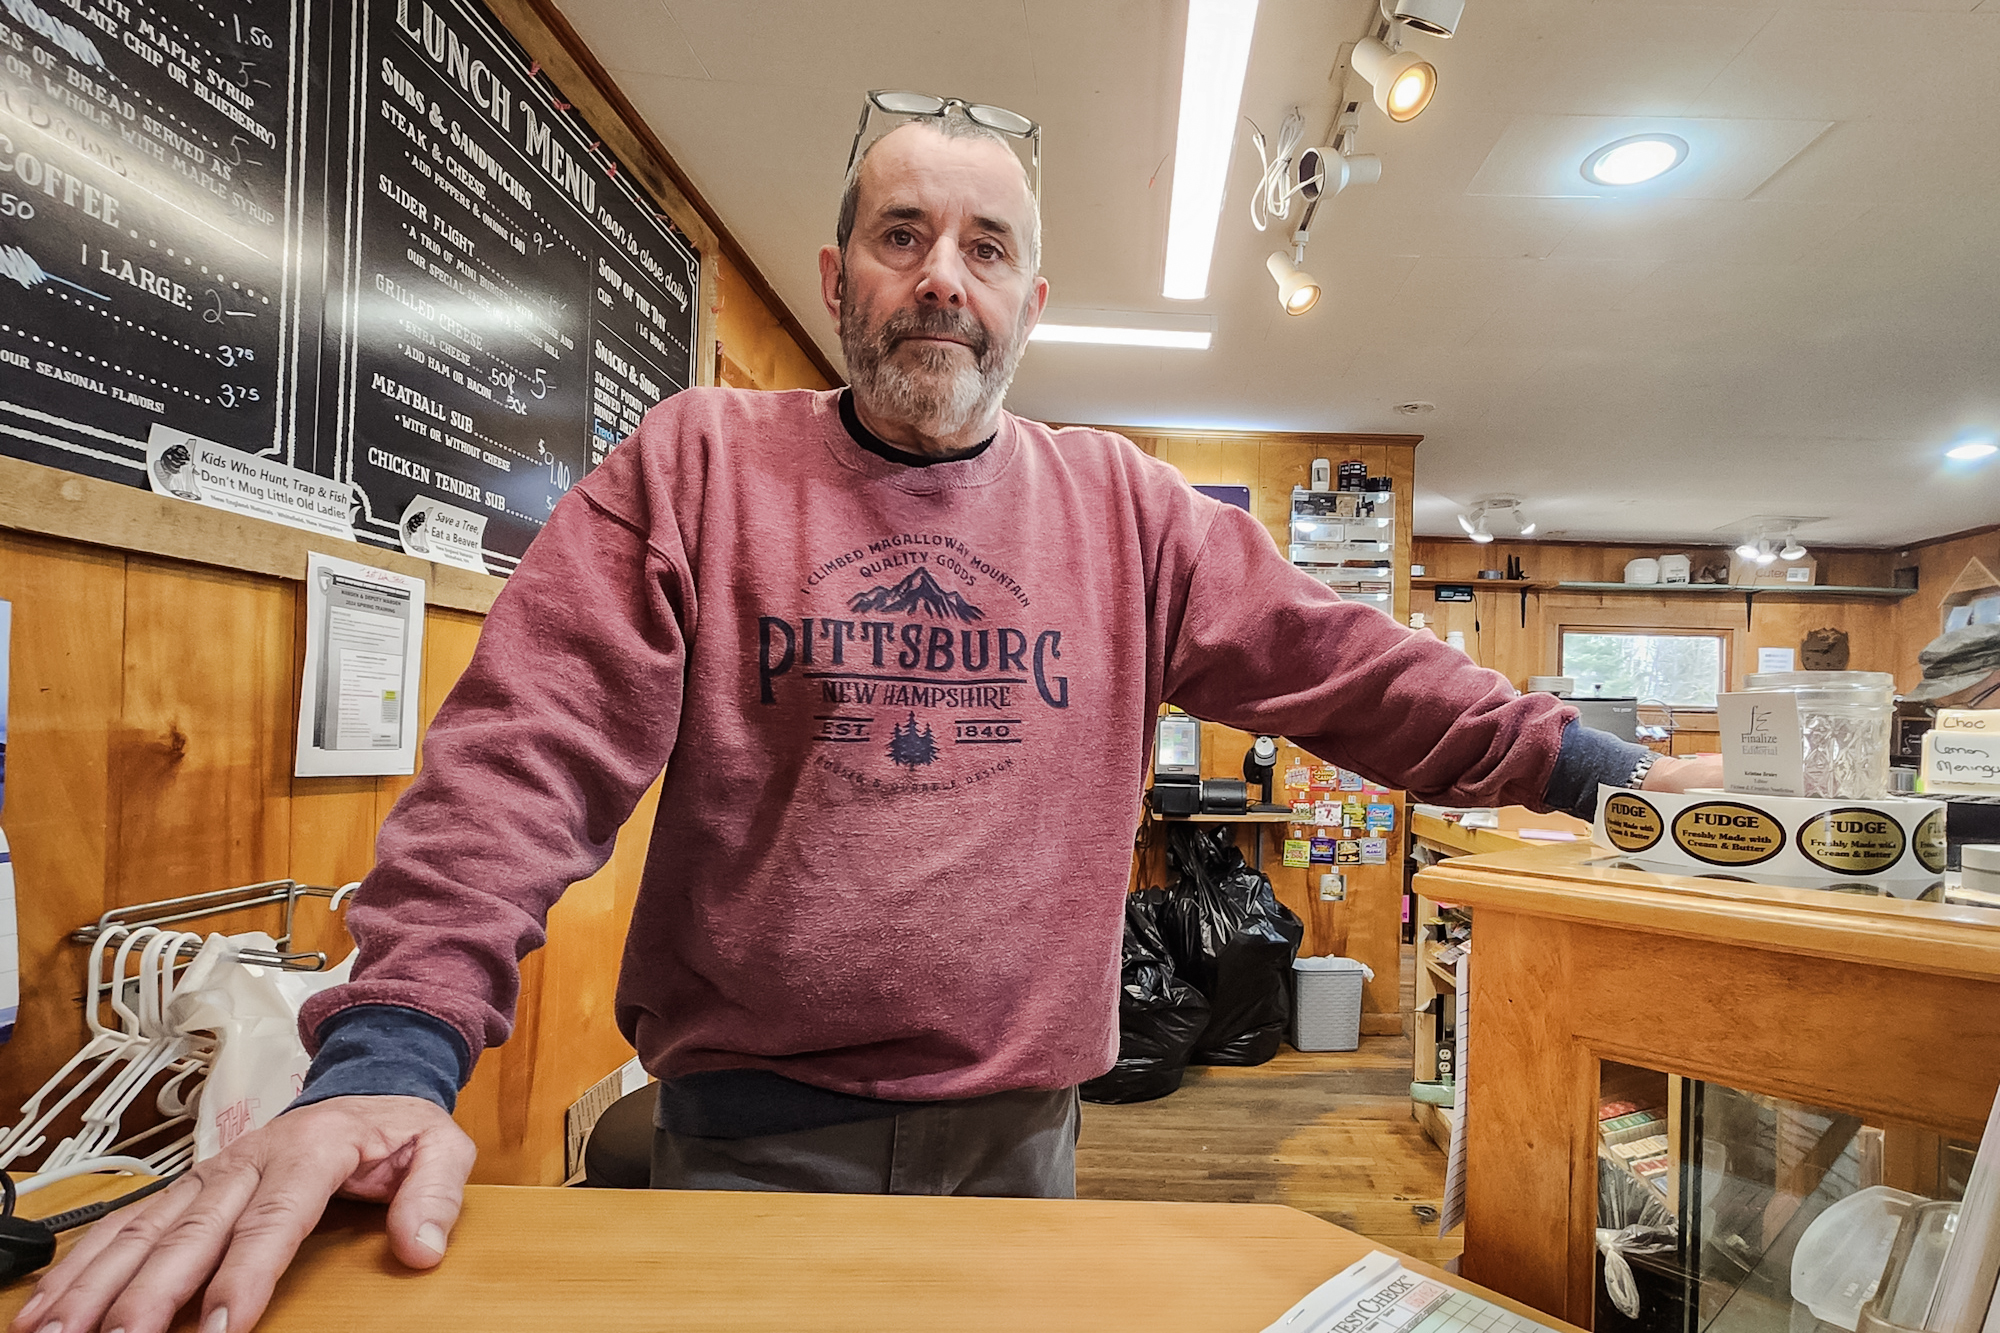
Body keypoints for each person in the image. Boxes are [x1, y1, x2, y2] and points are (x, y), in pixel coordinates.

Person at [14, 102, 1719, 1333]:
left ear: (1034, 303)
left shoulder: (1126, 512)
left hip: (1030, 1151)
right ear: (838, 276)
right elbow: (517, 763)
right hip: (745, 1152)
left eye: (987, 247)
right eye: (903, 237)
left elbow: (1365, 671)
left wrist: (1617, 775)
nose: (941, 279)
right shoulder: (697, 464)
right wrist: (387, 1056)